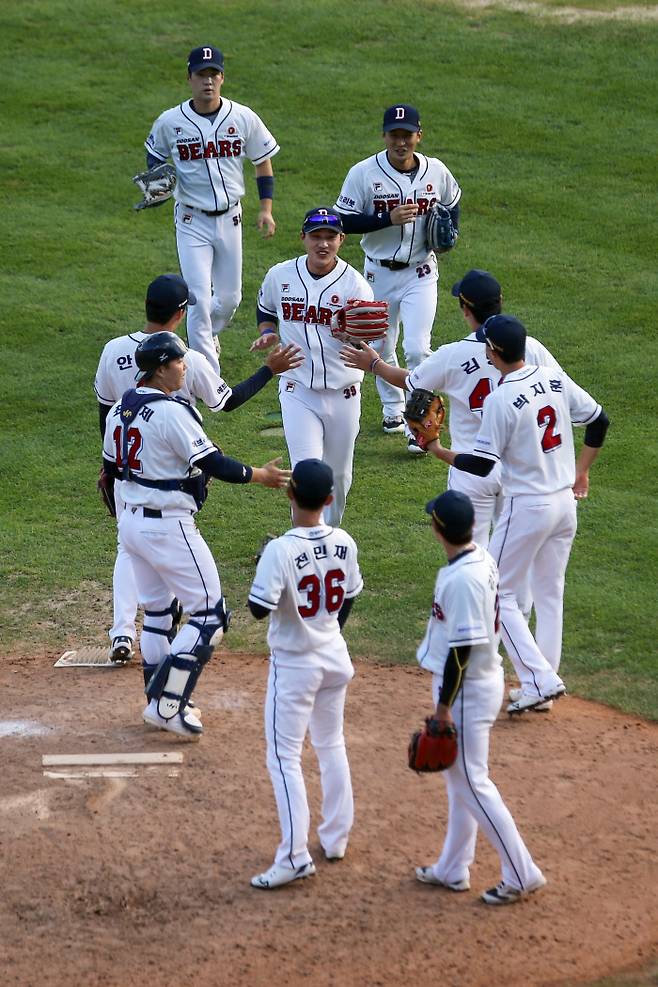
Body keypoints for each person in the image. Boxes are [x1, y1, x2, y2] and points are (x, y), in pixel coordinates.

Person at [95, 273, 302, 663]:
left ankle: (123, 633)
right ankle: (172, 696)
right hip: (169, 486)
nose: (181, 367)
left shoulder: (114, 354)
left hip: (126, 470)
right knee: (208, 612)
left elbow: (106, 412)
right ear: (179, 314)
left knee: (132, 555)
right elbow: (223, 413)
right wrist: (268, 371)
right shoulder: (183, 372)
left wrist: (111, 464)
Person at [101, 331, 291, 738]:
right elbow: (213, 462)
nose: (185, 367)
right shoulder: (170, 412)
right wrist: (261, 476)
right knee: (210, 615)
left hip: (130, 523)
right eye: (180, 362)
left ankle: (158, 700)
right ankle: (168, 704)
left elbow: (111, 469)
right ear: (162, 369)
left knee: (157, 614)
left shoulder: (121, 407)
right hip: (168, 526)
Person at [426, 315, 610, 713]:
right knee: (549, 594)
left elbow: (481, 464)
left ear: (493, 352)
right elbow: (599, 420)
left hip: (528, 507)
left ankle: (540, 679)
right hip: (565, 505)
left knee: (498, 593)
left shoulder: (501, 399)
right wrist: (582, 470)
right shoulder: (554, 379)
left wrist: (439, 451)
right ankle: (540, 686)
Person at [340, 268, 560, 544]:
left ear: (465, 310)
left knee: (469, 553)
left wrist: (374, 365)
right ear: (500, 300)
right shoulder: (530, 347)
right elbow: (558, 392)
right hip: (520, 469)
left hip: (471, 467)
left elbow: (411, 382)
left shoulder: (452, 355)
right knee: (513, 555)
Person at [414, 489, 547, 905]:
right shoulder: (480, 558)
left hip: (467, 692)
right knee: (461, 784)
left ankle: (522, 874)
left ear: (439, 529)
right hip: (476, 683)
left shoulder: (463, 579)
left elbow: (461, 650)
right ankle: (453, 869)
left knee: (474, 785)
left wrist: (443, 709)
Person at [248, 459, 363, 889]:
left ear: (289, 494)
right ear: (330, 499)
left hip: (295, 666)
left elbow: (258, 609)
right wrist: (324, 630)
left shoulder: (280, 549)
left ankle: (295, 856)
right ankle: (335, 839)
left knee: (284, 758)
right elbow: (349, 596)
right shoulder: (345, 541)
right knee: (332, 743)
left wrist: (263, 565)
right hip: (334, 657)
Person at [143, 45, 280, 372]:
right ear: (189, 78)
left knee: (230, 299)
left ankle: (208, 334)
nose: (208, 81)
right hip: (191, 221)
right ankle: (208, 375)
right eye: (201, 74)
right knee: (199, 300)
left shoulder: (243, 117)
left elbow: (263, 163)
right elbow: (154, 154)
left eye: (213, 74)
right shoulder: (170, 121)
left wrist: (266, 209)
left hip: (231, 219)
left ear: (222, 77)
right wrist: (159, 181)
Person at [334, 103, 461, 452]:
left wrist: (453, 231)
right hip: (377, 273)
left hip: (421, 272)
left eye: (407, 135)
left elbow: (452, 202)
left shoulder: (436, 171)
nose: (400, 142)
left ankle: (417, 425)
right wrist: (384, 219)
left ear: (419, 136)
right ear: (385, 135)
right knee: (380, 346)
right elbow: (341, 220)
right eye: (394, 135)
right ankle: (393, 408)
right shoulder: (363, 173)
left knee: (418, 348)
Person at [249, 207, 374, 526]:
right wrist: (266, 333)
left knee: (339, 477)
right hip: (297, 391)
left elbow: (370, 339)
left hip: (343, 393)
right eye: (316, 236)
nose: (323, 244)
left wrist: (354, 337)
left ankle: (328, 538)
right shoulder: (280, 275)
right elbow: (265, 310)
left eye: (330, 237)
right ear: (303, 237)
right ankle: (301, 541)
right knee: (306, 474)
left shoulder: (355, 286)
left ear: (341, 239)